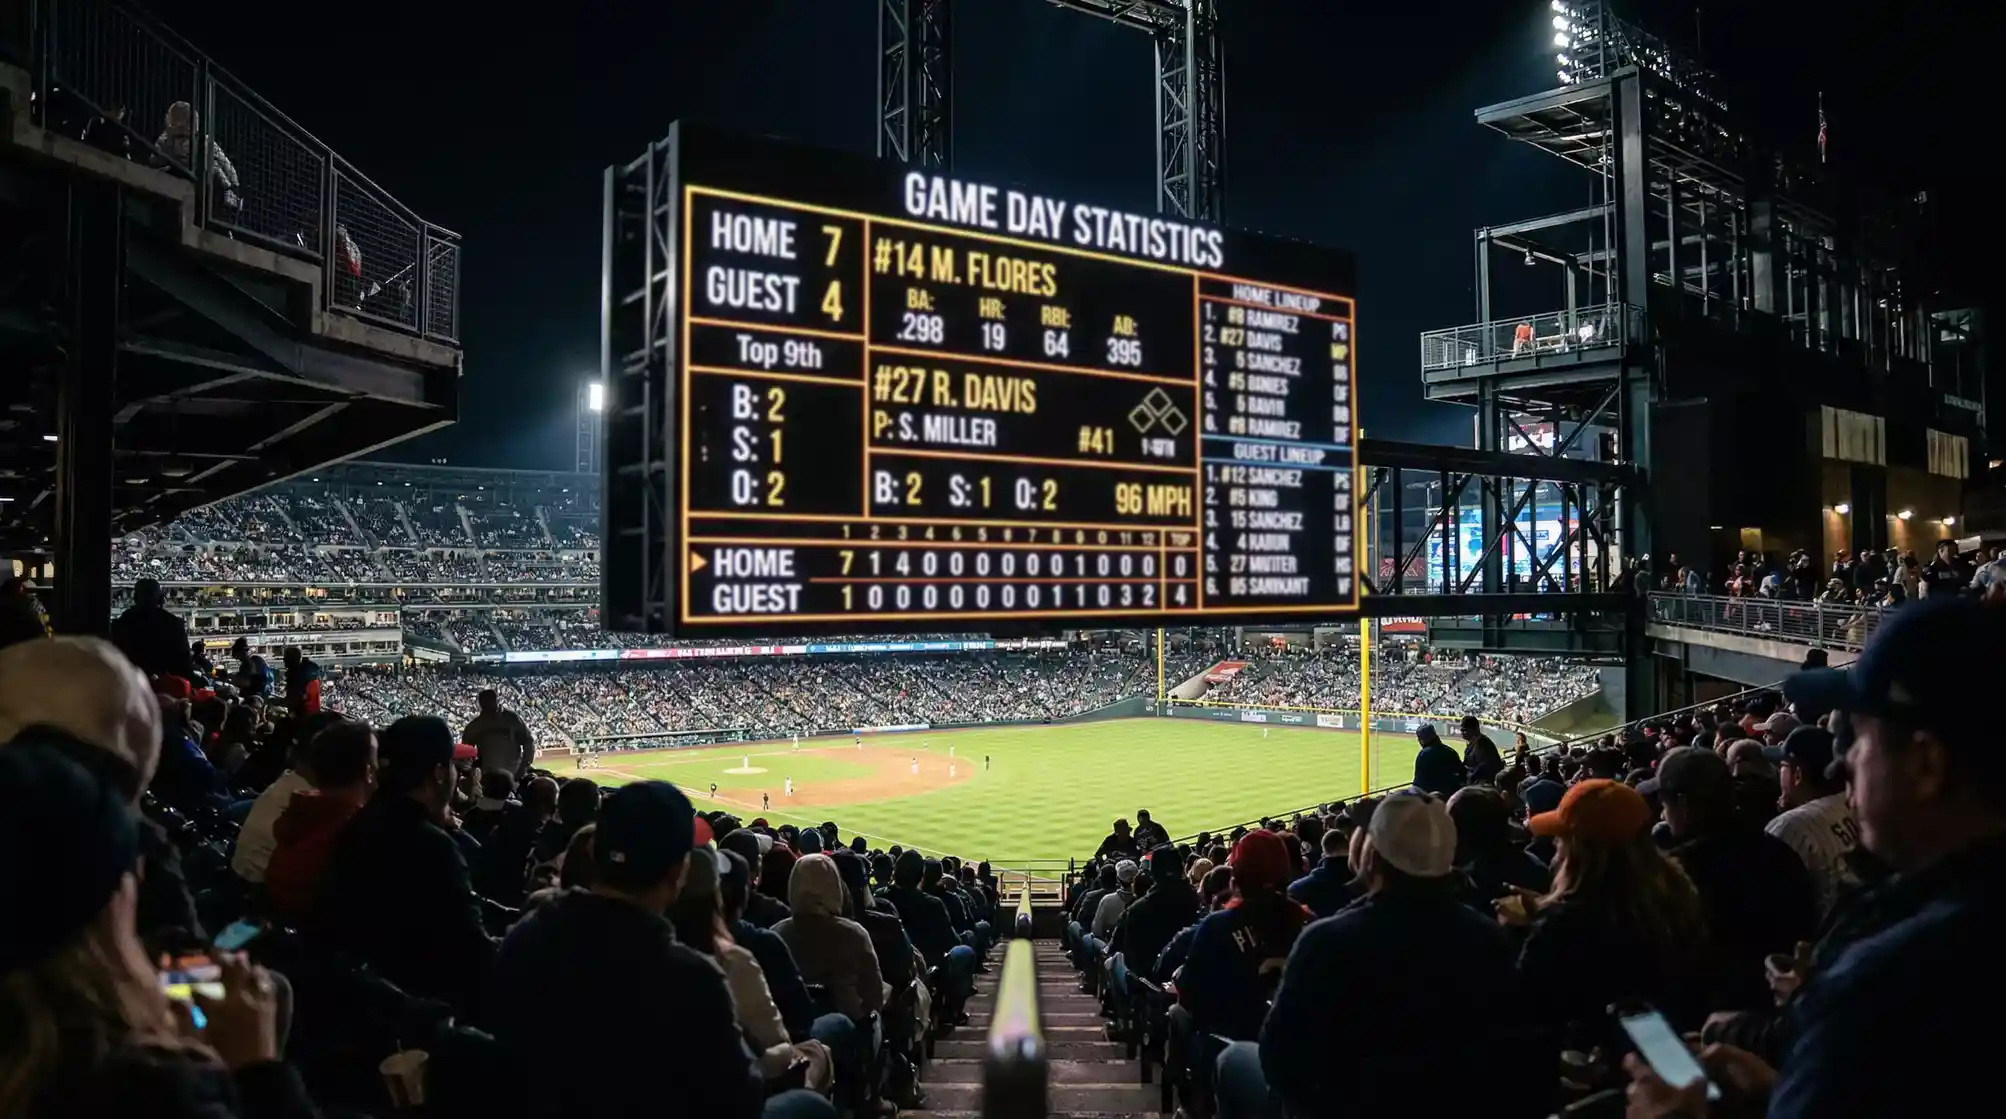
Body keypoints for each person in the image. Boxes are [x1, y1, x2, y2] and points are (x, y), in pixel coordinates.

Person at [0, 737, 311, 1118]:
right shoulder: (141, 1082)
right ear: (116, 890)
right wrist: (257, 1067)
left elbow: (170, 953)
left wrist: (191, 961)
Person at [493, 781, 829, 1119]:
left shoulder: (525, 937)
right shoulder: (689, 977)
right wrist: (792, 1059)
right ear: (679, 872)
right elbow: (740, 1100)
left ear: (593, 850)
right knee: (814, 1097)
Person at [1251, 792, 1547, 1119]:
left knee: (1232, 1062)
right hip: (1457, 1104)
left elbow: (1279, 1063)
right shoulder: (1488, 936)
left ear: (1373, 858)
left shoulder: (1328, 942)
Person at [313, 716, 493, 1010]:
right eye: (451, 766)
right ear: (438, 772)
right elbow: (472, 955)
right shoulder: (430, 845)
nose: (455, 775)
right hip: (421, 1011)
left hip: (368, 1000)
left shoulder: (361, 823)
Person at [108, 577, 191, 680]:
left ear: (135, 598)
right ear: (161, 599)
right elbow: (184, 665)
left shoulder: (119, 624)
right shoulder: (174, 624)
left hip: (129, 685)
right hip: (165, 688)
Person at [461, 688, 535, 781]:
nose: (487, 705)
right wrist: (473, 771)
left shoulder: (512, 719)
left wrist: (523, 767)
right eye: (485, 703)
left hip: (514, 774)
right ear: (480, 704)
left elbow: (528, 742)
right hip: (488, 777)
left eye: (489, 702)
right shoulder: (474, 726)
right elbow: (465, 755)